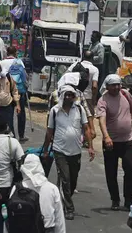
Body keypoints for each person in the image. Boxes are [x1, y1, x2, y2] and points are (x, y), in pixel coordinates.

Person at [42, 85, 95, 220]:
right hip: (60, 150)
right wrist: (46, 150)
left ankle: (62, 200)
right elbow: (49, 132)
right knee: (65, 179)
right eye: (66, 95)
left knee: (73, 180)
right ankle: (69, 208)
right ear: (62, 96)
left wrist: (90, 147)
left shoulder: (79, 109)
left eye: (71, 95)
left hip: (76, 151)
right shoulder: (55, 111)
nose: (69, 97)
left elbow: (86, 128)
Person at [98, 74, 132, 211]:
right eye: (113, 85)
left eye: (118, 84)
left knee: (130, 169)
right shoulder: (103, 100)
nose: (117, 87)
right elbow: (102, 120)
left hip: (128, 140)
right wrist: (106, 137)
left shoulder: (126, 95)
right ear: (107, 86)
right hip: (111, 142)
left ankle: (128, 199)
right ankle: (115, 199)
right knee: (111, 172)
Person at [10, 154, 66, 233]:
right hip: (46, 229)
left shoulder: (17, 188)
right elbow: (59, 220)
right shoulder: (52, 188)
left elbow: (9, 215)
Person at [2, 47, 29, 141]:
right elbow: (24, 76)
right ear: (15, 53)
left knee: (9, 113)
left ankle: (11, 134)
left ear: (7, 53)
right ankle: (21, 135)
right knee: (20, 113)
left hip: (7, 91)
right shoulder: (19, 62)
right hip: (19, 90)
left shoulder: (2, 62)